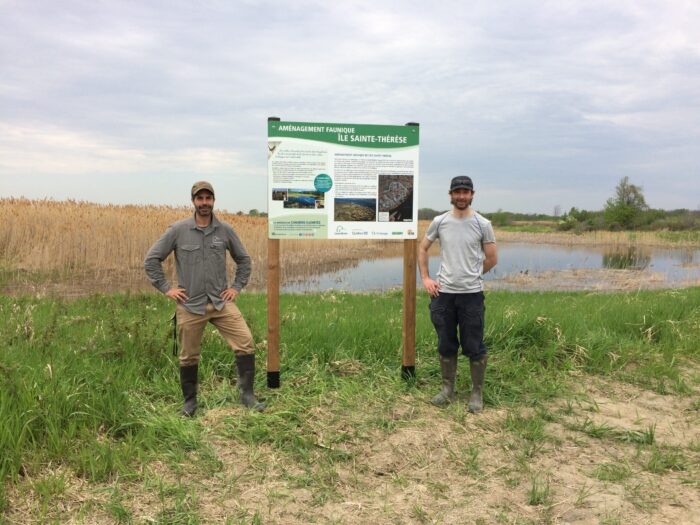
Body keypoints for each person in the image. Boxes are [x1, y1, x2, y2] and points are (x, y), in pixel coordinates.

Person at [144, 181, 264, 416]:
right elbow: (151, 260)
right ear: (193, 201)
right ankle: (190, 403)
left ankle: (247, 396)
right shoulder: (178, 230)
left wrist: (236, 287)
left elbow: (244, 260)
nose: (204, 203)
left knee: (245, 342)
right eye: (200, 198)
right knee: (188, 356)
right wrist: (167, 288)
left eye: (208, 198)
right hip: (190, 305)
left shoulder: (225, 231)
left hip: (221, 302)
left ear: (213, 201)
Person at [418, 176, 498, 413]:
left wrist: (473, 274)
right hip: (443, 295)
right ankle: (447, 388)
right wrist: (426, 278)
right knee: (445, 343)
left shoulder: (483, 224)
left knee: (474, 344)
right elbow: (422, 249)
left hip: (471, 295)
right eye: (457, 192)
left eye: (466, 192)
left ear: (472, 194)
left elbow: (492, 258)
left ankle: (476, 392)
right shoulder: (439, 221)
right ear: (450, 195)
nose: (461, 196)